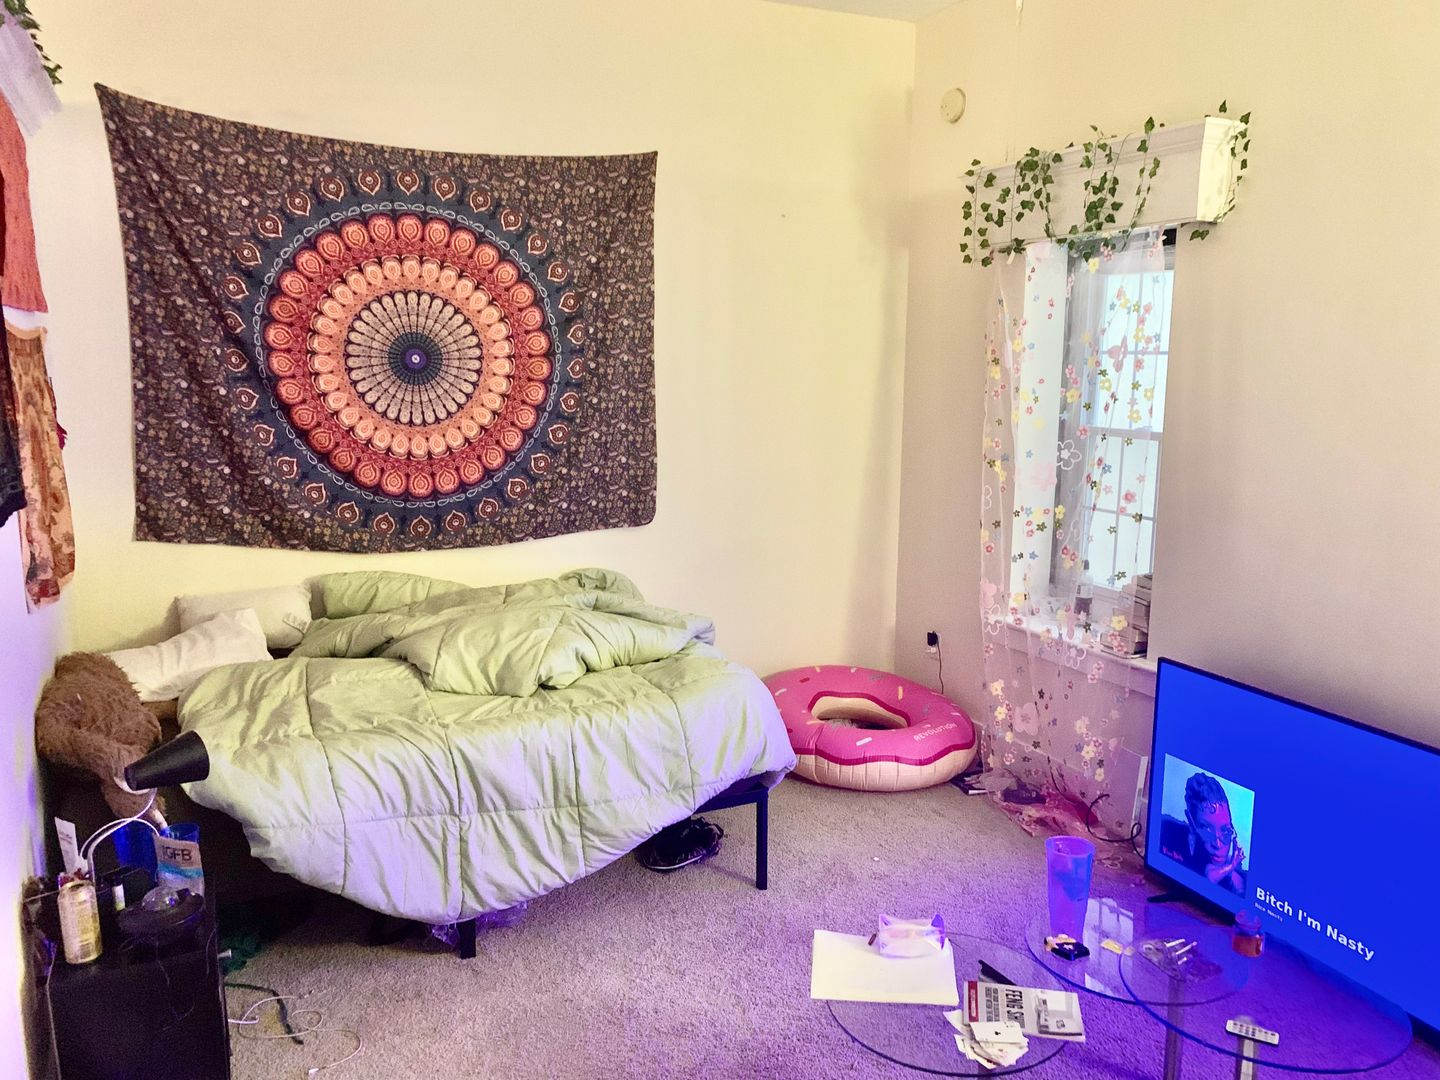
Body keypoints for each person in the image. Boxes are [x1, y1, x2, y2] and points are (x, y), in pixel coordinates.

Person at [1158, 770, 1247, 894]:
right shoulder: (1164, 830)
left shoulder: (1241, 882)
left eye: (1225, 831)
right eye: (1207, 831)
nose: (1218, 845)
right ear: (1190, 821)